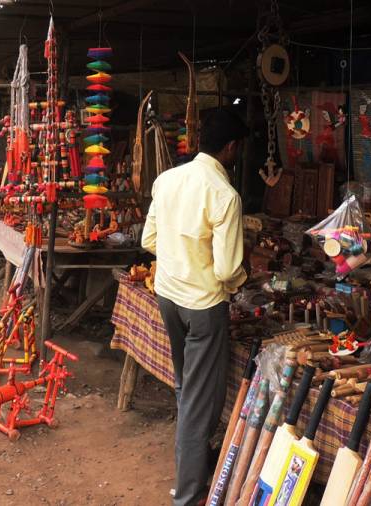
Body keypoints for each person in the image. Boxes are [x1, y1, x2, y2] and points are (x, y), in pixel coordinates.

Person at [141, 107, 249, 506]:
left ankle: (197, 467)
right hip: (204, 306)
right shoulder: (225, 195)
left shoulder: (167, 179)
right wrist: (242, 280)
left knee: (189, 389)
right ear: (231, 148)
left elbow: (149, 240)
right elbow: (226, 269)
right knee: (198, 403)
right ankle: (188, 496)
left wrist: (181, 256)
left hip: (168, 296)